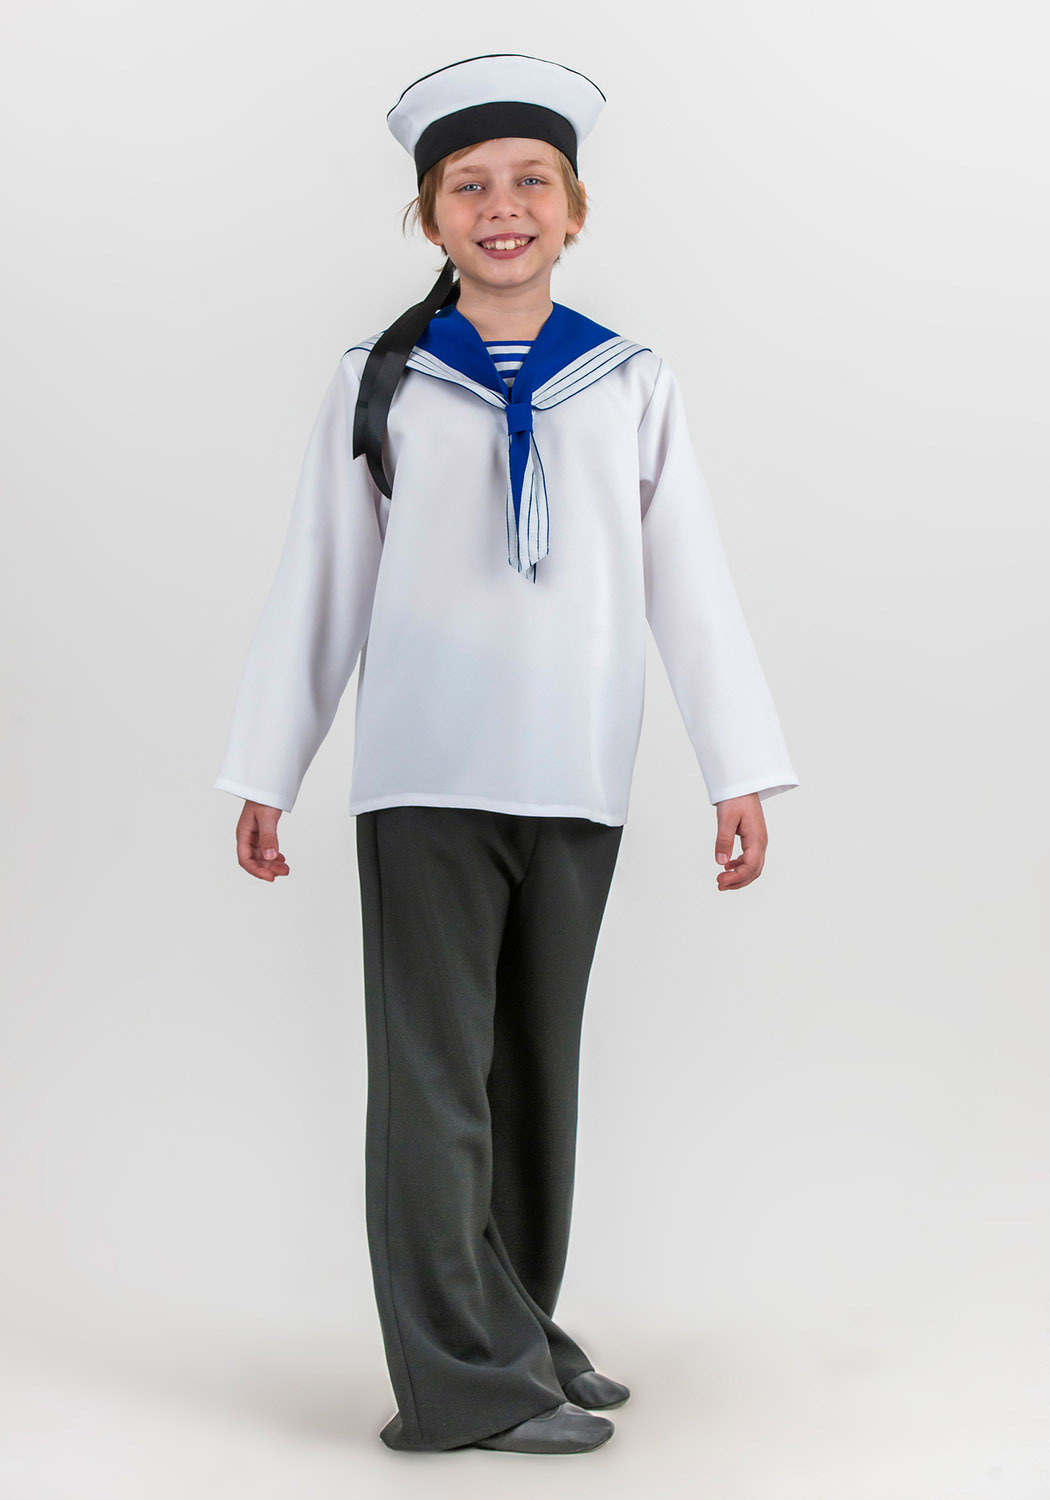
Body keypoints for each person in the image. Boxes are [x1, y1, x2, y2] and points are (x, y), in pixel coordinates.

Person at [213, 52, 799, 1456]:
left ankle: (512, 1327)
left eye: (530, 181)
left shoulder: (627, 380)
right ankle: (457, 1383)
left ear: (574, 208)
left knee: (533, 1071)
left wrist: (736, 767)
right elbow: (322, 576)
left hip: (576, 767)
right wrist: (269, 767)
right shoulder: (383, 382)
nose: (502, 207)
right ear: (430, 216)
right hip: (425, 772)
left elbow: (689, 579)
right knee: (434, 1081)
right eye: (468, 187)